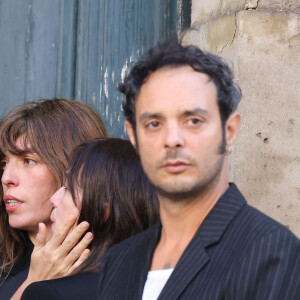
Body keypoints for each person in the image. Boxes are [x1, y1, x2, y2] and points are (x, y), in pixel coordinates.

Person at [96, 41, 300, 299]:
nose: (172, 139)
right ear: (133, 136)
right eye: (154, 123)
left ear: (229, 131)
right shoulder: (119, 261)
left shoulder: (274, 253)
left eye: (193, 121)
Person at [21, 138, 159, 299]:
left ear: (103, 209)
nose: (54, 199)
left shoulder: (51, 293)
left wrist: (34, 280)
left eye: (68, 188)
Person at [0, 99, 107, 299]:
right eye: (4, 163)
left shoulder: (121, 264)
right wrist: (34, 283)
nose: (6, 178)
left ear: (73, 169)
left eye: (28, 161)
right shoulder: (5, 262)